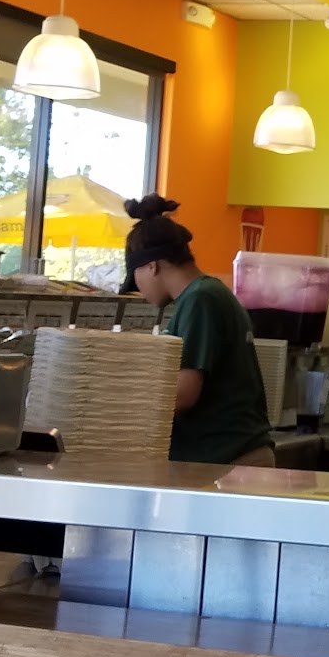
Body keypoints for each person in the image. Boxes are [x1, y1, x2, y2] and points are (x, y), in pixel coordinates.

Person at [121, 194, 274, 467]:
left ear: (152, 266)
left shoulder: (200, 299)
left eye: (135, 280)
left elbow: (183, 394)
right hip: (225, 459)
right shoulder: (206, 295)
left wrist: (118, 407)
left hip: (231, 461)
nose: (140, 291)